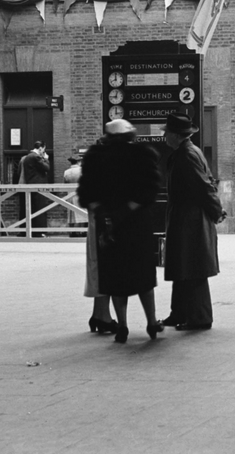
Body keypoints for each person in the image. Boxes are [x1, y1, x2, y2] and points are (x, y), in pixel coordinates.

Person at [76, 119, 162, 344]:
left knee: (115, 276)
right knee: (143, 275)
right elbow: (150, 189)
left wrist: (106, 216)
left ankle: (122, 326)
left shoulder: (95, 157)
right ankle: (151, 322)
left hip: (107, 223)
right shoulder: (143, 155)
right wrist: (129, 209)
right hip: (137, 223)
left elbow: (87, 193)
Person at [161, 115, 225, 331]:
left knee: (192, 267)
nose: (164, 135)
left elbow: (203, 186)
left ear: (176, 135)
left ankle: (199, 317)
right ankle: (179, 312)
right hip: (186, 217)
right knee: (183, 265)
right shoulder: (188, 151)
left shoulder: (186, 155)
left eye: (167, 132)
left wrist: (216, 211)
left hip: (191, 219)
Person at [76, 138, 114, 334]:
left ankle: (99, 314)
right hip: (103, 225)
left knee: (98, 267)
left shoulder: (91, 175)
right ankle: (103, 316)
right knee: (103, 268)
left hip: (96, 224)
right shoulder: (104, 176)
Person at [19, 140, 51, 231]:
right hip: (38, 186)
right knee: (39, 209)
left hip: (32, 185)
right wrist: (46, 158)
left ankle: (32, 231)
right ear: (40, 148)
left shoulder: (27, 157)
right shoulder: (36, 157)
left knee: (33, 209)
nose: (44, 152)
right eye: (44, 150)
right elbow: (47, 168)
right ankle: (39, 231)